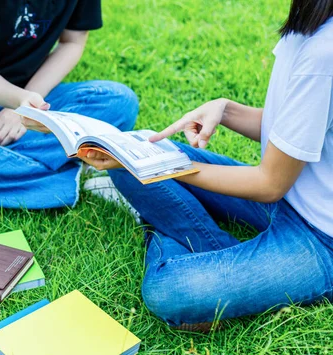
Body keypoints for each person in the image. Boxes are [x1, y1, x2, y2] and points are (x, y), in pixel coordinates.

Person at [56, 0, 333, 331]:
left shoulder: (323, 54)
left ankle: (183, 245)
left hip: (320, 236)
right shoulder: (309, 27)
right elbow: (293, 130)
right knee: (136, 150)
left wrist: (165, 169)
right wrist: (225, 109)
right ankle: (223, 257)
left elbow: (269, 184)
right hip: (291, 197)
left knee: (170, 290)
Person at [0, 0, 139, 209]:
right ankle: (72, 173)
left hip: (32, 90)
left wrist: (26, 105)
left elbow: (73, 42)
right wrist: (19, 102)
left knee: (119, 101)